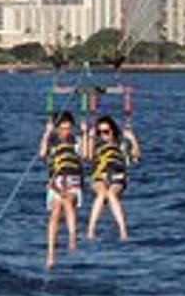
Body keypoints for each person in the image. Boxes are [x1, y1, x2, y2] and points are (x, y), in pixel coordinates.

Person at [84, 113, 142, 244]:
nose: (103, 135)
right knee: (102, 193)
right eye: (100, 132)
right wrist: (88, 136)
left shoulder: (121, 144)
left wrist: (132, 139)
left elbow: (136, 157)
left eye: (106, 132)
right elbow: (87, 156)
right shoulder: (96, 145)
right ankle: (90, 230)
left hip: (118, 177)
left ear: (112, 131)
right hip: (99, 176)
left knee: (111, 194)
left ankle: (123, 231)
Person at [39, 109, 85, 270]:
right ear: (57, 128)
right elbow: (42, 154)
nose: (66, 131)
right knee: (55, 213)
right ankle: (50, 254)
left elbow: (86, 155)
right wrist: (46, 133)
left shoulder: (76, 141)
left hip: (73, 182)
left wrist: (86, 134)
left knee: (67, 201)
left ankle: (72, 237)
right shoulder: (51, 142)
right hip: (56, 183)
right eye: (62, 128)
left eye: (68, 128)